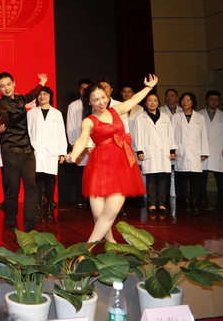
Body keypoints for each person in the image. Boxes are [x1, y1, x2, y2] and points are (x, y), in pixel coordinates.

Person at [66, 75, 155, 242]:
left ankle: (88, 247)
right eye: (95, 100)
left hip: (121, 164)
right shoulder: (89, 121)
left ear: (107, 97)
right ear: (89, 102)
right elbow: (82, 139)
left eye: (103, 98)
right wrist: (73, 155)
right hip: (99, 165)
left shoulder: (116, 110)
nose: (101, 102)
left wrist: (148, 87)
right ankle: (111, 243)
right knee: (99, 214)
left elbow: (134, 100)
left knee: (111, 211)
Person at [0, 72, 47, 231]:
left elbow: (33, 94)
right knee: (13, 188)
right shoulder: (0, 104)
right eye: (2, 86)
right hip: (10, 151)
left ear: (14, 83)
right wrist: (1, 125)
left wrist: (42, 82)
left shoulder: (20, 99)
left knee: (31, 186)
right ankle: (11, 220)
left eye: (8, 84)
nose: (6, 88)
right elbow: (2, 115)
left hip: (27, 150)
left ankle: (30, 224)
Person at [129, 92, 176, 215]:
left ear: (158, 103)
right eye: (149, 100)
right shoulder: (140, 117)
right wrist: (139, 150)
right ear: (145, 103)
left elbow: (170, 134)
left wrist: (172, 150)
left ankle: (161, 204)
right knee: (151, 178)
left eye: (155, 100)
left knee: (162, 178)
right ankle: (152, 204)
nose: (152, 102)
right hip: (148, 151)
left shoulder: (165, 117)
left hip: (164, 151)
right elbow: (138, 135)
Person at [27, 86, 66, 219]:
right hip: (37, 149)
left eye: (45, 94)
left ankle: (49, 204)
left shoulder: (57, 113)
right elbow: (29, 132)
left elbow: (61, 133)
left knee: (50, 179)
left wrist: (62, 152)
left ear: (50, 96)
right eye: (40, 94)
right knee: (37, 179)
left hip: (52, 151)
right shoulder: (31, 113)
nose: (42, 96)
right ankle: (38, 205)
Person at [172, 92, 209, 214]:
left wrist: (204, 152)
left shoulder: (200, 117)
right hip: (181, 152)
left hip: (195, 152)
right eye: (183, 100)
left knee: (195, 180)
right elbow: (171, 135)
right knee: (183, 179)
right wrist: (172, 150)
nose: (185, 102)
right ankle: (186, 202)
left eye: (188, 100)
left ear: (193, 102)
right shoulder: (175, 117)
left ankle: (194, 201)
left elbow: (204, 135)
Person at [198, 90, 223, 208]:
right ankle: (202, 199)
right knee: (202, 178)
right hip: (203, 150)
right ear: (206, 100)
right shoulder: (199, 114)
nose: (214, 102)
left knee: (220, 177)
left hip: (218, 150)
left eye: (216, 100)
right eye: (211, 99)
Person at [65, 78, 92, 208]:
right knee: (81, 174)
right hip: (79, 143)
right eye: (82, 88)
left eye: (87, 88)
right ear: (79, 90)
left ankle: (92, 198)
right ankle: (81, 198)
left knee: (93, 174)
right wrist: (73, 144)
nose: (85, 91)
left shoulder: (94, 104)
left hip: (93, 146)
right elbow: (70, 126)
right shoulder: (73, 105)